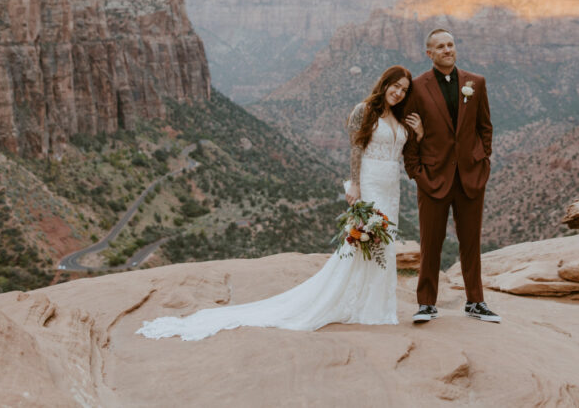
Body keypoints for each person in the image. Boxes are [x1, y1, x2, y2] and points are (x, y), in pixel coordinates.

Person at [136, 66, 420, 341]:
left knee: (384, 244)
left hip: (391, 188)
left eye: (404, 90)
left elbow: (406, 152)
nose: (398, 92)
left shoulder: (400, 118)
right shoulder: (364, 110)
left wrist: (418, 134)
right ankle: (356, 304)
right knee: (361, 242)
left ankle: (377, 306)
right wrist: (355, 184)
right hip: (370, 183)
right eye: (395, 86)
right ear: (385, 84)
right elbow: (356, 148)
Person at [402, 28, 500, 323]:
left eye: (451, 44)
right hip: (433, 177)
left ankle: (475, 301)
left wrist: (482, 159)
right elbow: (409, 133)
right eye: (440, 47)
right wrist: (416, 172)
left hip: (470, 176)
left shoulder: (476, 83)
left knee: (471, 241)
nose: (447, 50)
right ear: (429, 54)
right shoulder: (417, 87)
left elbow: (485, 126)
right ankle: (426, 303)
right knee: (430, 242)